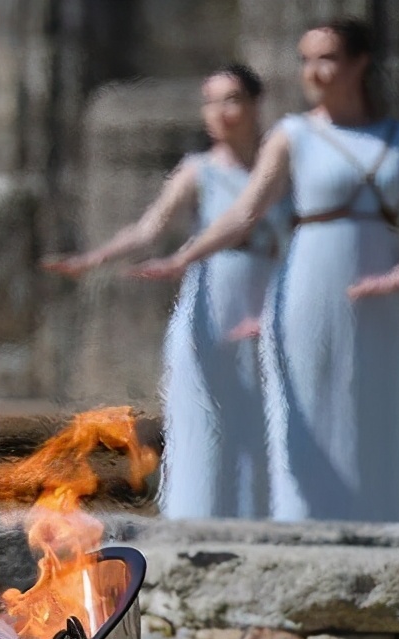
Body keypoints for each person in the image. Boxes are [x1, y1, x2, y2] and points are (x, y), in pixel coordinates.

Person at [134, 19, 399, 522]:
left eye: (326, 58)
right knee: (303, 405)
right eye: (307, 60)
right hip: (308, 280)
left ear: (358, 64)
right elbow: (244, 213)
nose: (314, 71)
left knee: (371, 409)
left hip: (375, 293)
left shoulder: (396, 140)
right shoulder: (293, 134)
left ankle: (378, 526)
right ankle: (299, 525)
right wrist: (185, 256)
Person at [42, 64, 291, 519]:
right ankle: (194, 521)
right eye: (211, 101)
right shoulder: (199, 171)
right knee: (204, 420)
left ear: (256, 104)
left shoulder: (277, 172)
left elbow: (296, 245)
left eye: (232, 99)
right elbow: (148, 229)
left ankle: (262, 522)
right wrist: (94, 259)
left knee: (264, 423)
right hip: (212, 308)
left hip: (265, 311)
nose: (220, 112)